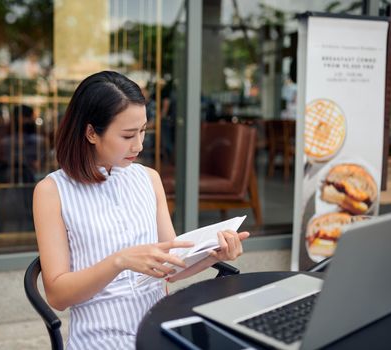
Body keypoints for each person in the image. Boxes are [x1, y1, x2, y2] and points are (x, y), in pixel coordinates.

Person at [33, 71, 249, 349]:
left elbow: (171, 268)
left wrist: (212, 254)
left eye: (143, 130)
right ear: (90, 133)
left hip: (159, 327)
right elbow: (57, 296)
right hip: (101, 338)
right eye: (127, 135)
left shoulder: (148, 179)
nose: (139, 145)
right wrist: (118, 261)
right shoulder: (52, 192)